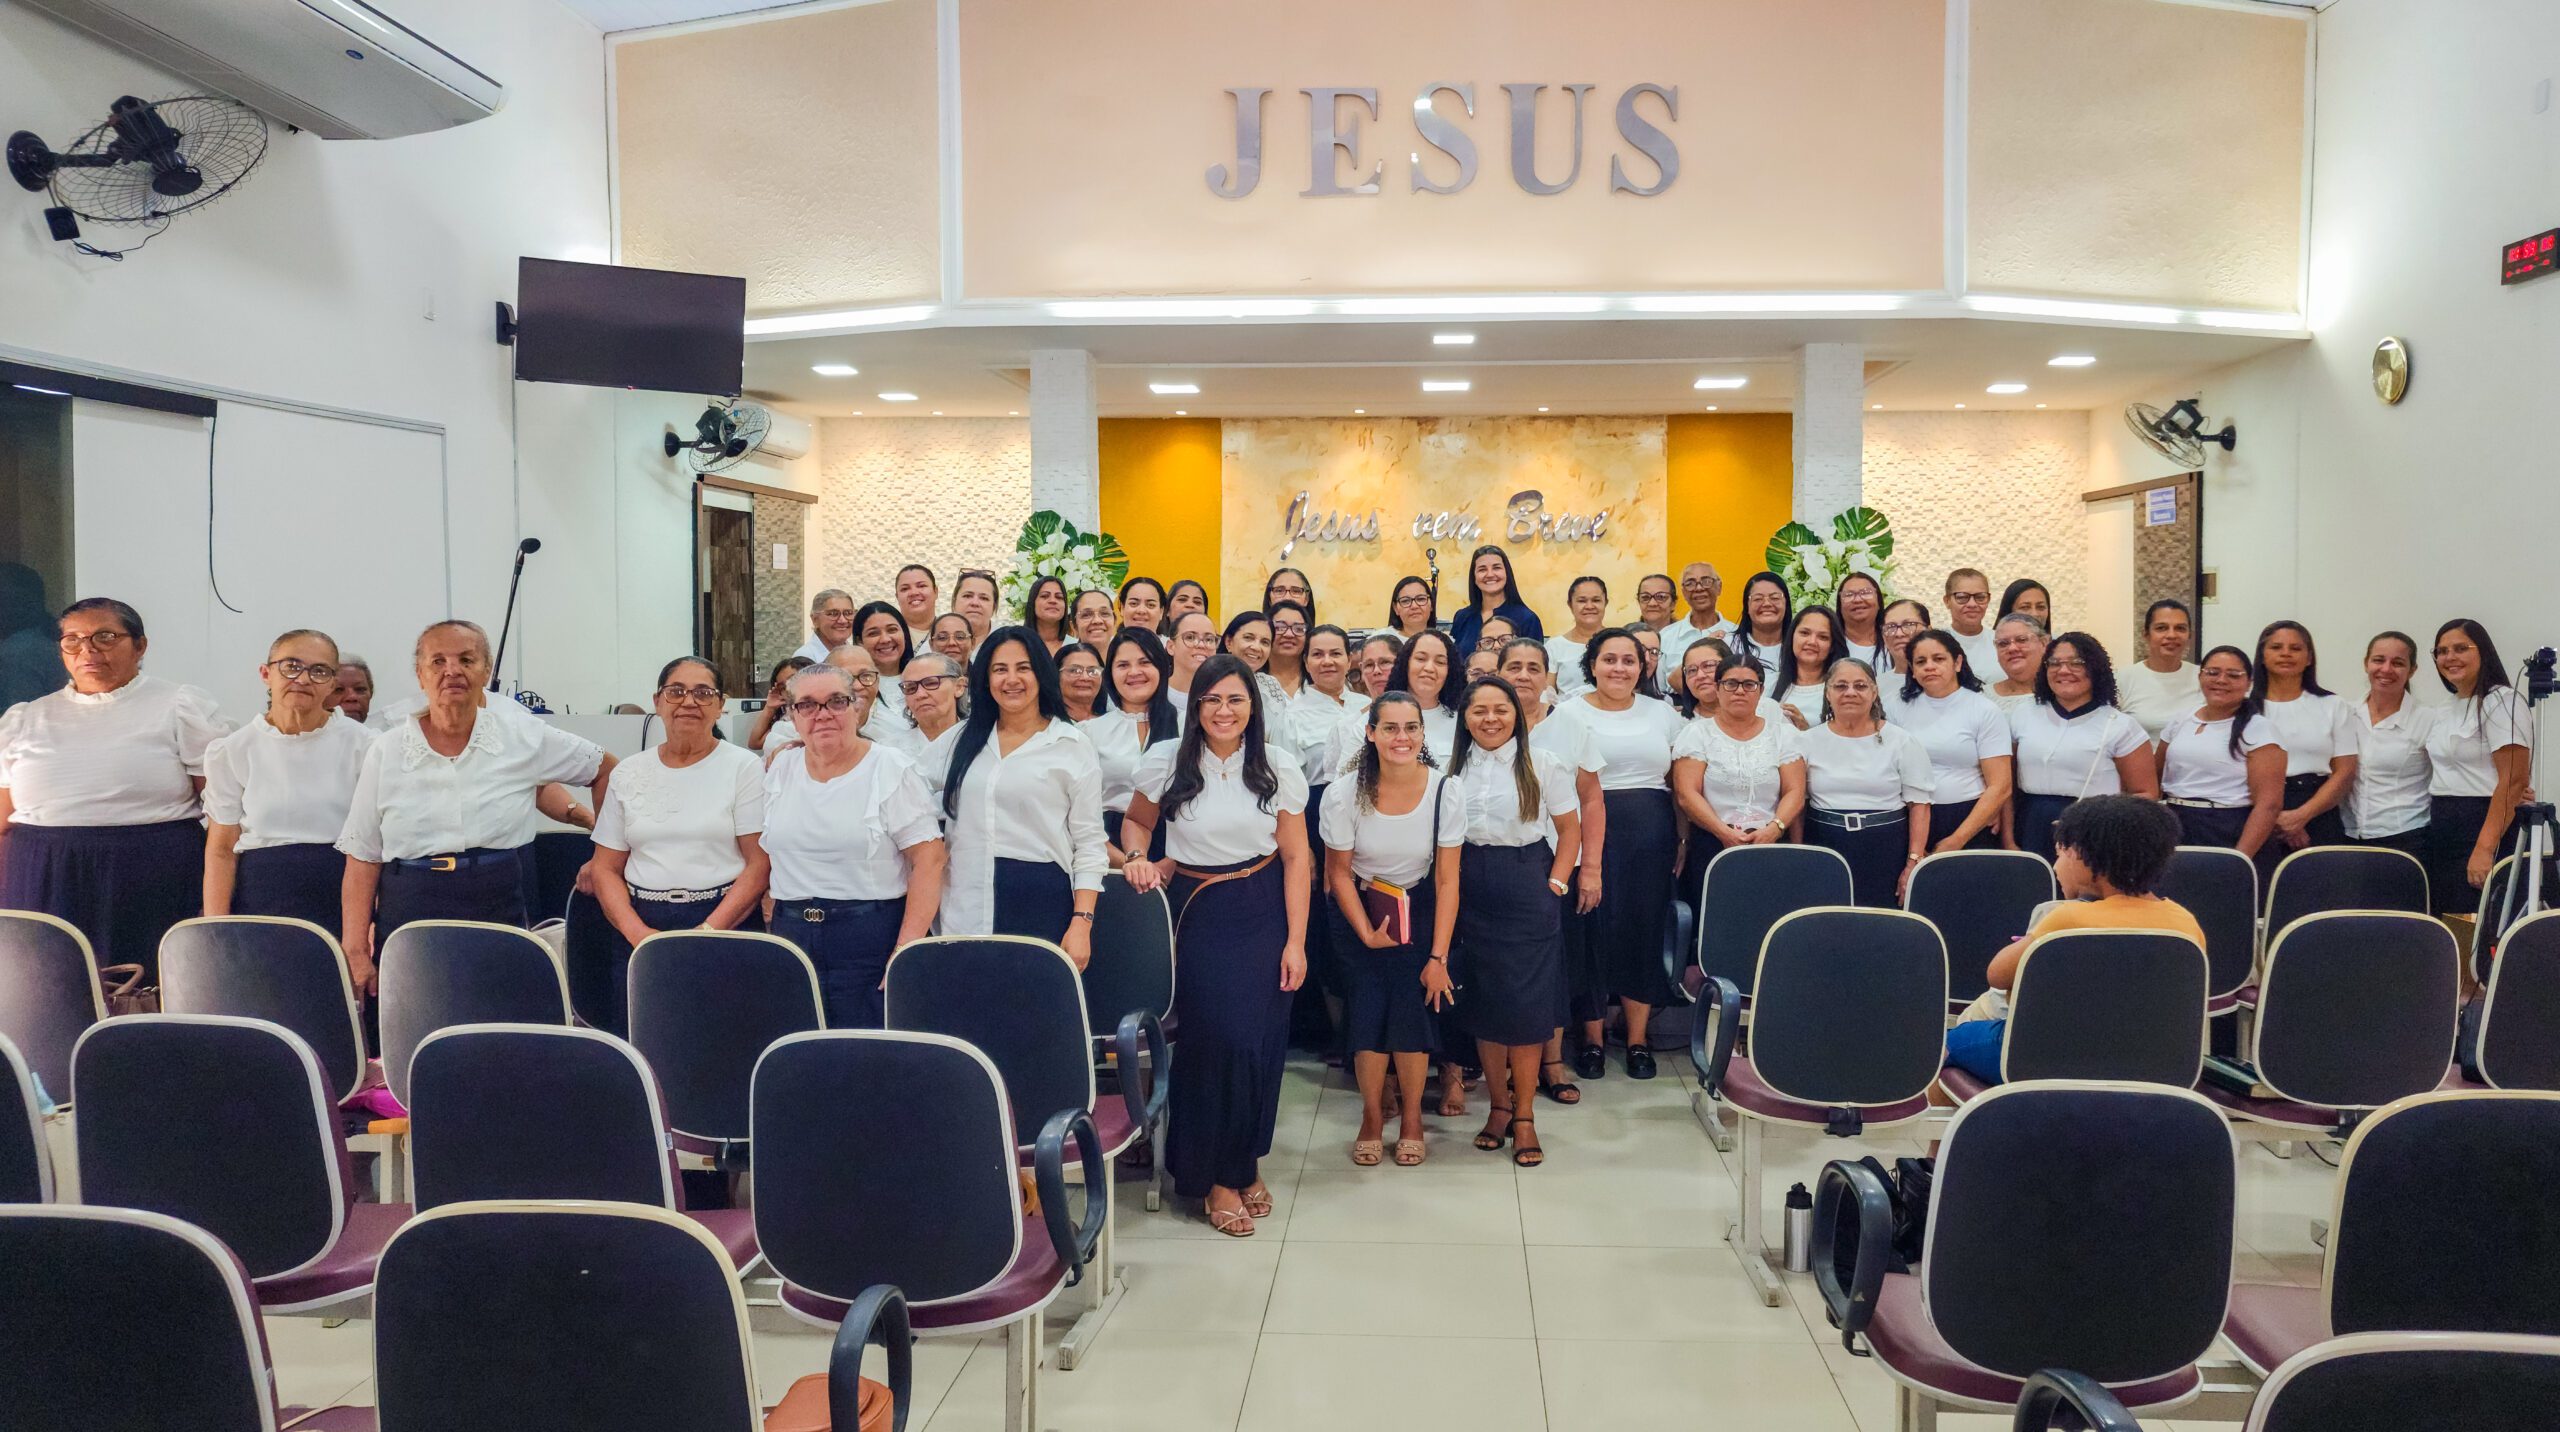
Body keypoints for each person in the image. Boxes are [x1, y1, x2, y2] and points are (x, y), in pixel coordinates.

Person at [1119, 654, 1313, 1237]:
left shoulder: (1276, 765)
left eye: (1235, 699)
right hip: (1197, 910)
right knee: (1216, 1044)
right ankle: (1213, 1179)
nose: (1224, 711)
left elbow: (1298, 857)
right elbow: (1135, 825)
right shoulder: (1167, 762)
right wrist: (1136, 860)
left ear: (1252, 707)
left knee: (1259, 1043)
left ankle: (1245, 1161)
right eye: (1212, 700)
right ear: (1195, 707)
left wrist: (1297, 940)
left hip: (1263, 907)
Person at [338, 620, 613, 990]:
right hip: (411, 902)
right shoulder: (385, 750)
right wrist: (355, 948)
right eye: (438, 661)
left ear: (486, 671)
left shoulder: (521, 735)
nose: (452, 670)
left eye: (467, 660)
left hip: (496, 894)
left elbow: (605, 768)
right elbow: (362, 855)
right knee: (417, 1018)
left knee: (500, 1019)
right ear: (420, 676)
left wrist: (605, 860)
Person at [0, 598, 231, 978]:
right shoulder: (28, 717)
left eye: (104, 637)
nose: (87, 650)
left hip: (151, 875)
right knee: (45, 992)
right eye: (72, 640)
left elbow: (221, 809)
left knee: (145, 992)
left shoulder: (177, 705)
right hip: (41, 877)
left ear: (140, 646)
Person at [1943, 796, 2203, 1085]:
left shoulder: (2069, 919)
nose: (2059, 860)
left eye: (2064, 850)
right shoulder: (2185, 922)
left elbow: (1997, 974)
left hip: (2047, 1057)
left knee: (1946, 1044)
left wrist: (2032, 939)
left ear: (2083, 855)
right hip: (2149, 1061)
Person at [581, 656, 769, 1037]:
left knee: (723, 1041)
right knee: (644, 1039)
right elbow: (604, 868)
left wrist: (708, 931)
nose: (689, 702)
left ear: (721, 705)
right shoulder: (629, 772)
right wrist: (639, 934)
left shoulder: (744, 768)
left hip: (723, 921)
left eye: (703, 693)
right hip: (640, 924)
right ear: (657, 701)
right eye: (676, 691)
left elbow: (759, 865)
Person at [1320, 694, 1464, 1167]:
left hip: (1419, 908)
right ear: (1371, 733)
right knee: (1366, 1016)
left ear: (1423, 734)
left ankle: (1412, 1120)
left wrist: (1438, 957)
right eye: (1390, 728)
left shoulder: (1446, 790)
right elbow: (1338, 872)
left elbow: (1447, 879)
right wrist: (1364, 931)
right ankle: (1370, 1115)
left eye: (1411, 728)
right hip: (1359, 908)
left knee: (1411, 1016)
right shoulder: (1343, 792)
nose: (1401, 738)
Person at [761, 665, 944, 1026]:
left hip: (869, 938)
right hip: (792, 933)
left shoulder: (889, 768)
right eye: (808, 705)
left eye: (836, 702)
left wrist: (905, 949)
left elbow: (930, 859)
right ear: (791, 715)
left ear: (856, 708)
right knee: (800, 1047)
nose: (823, 714)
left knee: (866, 1054)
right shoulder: (781, 767)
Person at [1448, 675, 1580, 1167]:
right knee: (1485, 1000)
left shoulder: (1542, 764)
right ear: (1465, 718)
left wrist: (1557, 884)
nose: (1490, 719)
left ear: (1516, 716)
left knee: (1524, 1007)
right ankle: (1498, 1108)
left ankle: (1524, 1114)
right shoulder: (1451, 769)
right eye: (1479, 710)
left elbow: (1570, 830)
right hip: (1469, 883)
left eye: (1500, 710)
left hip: (1527, 880)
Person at [1545, 629, 1684, 1077]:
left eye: (1629, 660)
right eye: (1610, 660)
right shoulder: (1566, 713)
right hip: (1589, 834)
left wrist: (1682, 839)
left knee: (1641, 932)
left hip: (1650, 835)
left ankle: (1638, 1040)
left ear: (1644, 666)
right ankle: (1592, 1039)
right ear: (1592, 665)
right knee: (1592, 933)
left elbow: (1679, 783)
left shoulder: (1662, 713)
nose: (1619, 668)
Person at [934, 628, 1105, 961]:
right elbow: (902, 783)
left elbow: (1089, 842)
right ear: (985, 678)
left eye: (1023, 668)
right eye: (1000, 669)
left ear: (1041, 673)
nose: (1011, 679)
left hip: (1041, 902)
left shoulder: (1071, 745)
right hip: (966, 900)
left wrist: (1082, 922)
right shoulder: (958, 741)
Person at [203, 629, 375, 933]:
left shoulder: (367, 745)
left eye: (319, 671)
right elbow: (221, 850)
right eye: (291, 666)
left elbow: (376, 844)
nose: (304, 679)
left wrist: (364, 931)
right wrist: (216, 930)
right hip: (261, 895)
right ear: (266, 674)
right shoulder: (231, 750)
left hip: (343, 892)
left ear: (333, 684)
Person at [1498, 637, 1604, 1103]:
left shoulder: (1572, 724)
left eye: (1533, 667)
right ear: (1498, 672)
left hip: (1559, 862)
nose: (1523, 675)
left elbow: (1591, 800)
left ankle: (1552, 1061)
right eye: (1514, 667)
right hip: (1499, 865)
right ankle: (1503, 1062)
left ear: (1547, 676)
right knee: (1503, 968)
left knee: (1554, 967)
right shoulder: (1485, 720)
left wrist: (1591, 868)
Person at [1793, 659, 1932, 908]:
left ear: (1874, 692)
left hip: (1886, 848)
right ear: (1827, 692)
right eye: (1840, 686)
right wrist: (1799, 855)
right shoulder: (1807, 741)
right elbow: (1797, 805)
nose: (1850, 693)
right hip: (1825, 845)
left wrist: (1913, 862)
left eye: (1860, 686)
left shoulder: (1901, 741)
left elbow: (1919, 805)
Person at [2006, 632, 2156, 860]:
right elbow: (2008, 780)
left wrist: (2108, 825)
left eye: (2077, 663)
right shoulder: (2024, 714)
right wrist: (2008, 836)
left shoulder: (2120, 726)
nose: (2064, 671)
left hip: (2094, 829)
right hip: (2030, 821)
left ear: (2096, 669)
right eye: (2055, 663)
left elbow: (2145, 793)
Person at [1672, 654, 1806, 898]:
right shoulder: (1696, 734)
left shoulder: (1783, 735)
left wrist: (1774, 829)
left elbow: (1795, 791)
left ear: (1761, 690)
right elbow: (1686, 794)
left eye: (1749, 685)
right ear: (1718, 688)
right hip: (1713, 842)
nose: (1739, 691)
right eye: (1730, 683)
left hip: (1770, 842)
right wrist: (1724, 832)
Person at [2424, 618, 2529, 910]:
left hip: (2483, 826)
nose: (2450, 657)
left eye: (2461, 648)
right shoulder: (2444, 708)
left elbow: (2514, 780)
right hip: (2445, 829)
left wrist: (2485, 849)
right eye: (2442, 651)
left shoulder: (2502, 701)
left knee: (2480, 927)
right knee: (2450, 922)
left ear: (2483, 651)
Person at [2252, 620, 2360, 878]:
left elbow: (2345, 772)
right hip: (2257, 811)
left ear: (2309, 658)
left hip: (2318, 811)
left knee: (2319, 897)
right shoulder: (2245, 707)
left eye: (2296, 648)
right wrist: (2276, 816)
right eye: (2276, 647)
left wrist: (2301, 816)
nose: (2286, 653)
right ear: (2263, 656)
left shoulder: (2333, 705)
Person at [2156, 645, 2282, 861]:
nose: (2221, 680)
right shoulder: (2181, 720)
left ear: (2249, 683)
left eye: (2233, 675)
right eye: (2213, 673)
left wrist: (2240, 858)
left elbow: (2269, 804)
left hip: (2227, 826)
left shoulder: (2259, 728)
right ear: (2200, 676)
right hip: (2174, 823)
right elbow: (2155, 775)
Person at [1892, 630, 2012, 853]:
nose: (1929, 666)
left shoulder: (1984, 710)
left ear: (1957, 662)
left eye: (1938, 659)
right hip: (1911, 818)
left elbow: (2000, 786)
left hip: (1969, 819)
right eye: (1921, 661)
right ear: (1912, 670)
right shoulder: (1898, 709)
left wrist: (1957, 840)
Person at [1090, 627, 1178, 864]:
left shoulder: (1188, 725)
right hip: (1107, 849)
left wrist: (1173, 862)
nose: (1134, 672)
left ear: (1161, 666)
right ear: (1110, 674)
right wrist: (1129, 863)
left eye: (1144, 662)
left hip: (1178, 850)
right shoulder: (1088, 733)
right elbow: (1077, 815)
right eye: (1123, 665)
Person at [2344, 631, 2433, 862]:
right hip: (2347, 837)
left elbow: (2453, 770)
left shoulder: (2428, 720)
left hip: (2406, 839)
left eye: (2398, 663)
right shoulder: (2344, 714)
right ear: (2366, 663)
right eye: (2378, 660)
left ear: (2412, 670)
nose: (2386, 669)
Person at [1329, 628, 1460, 772]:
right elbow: (1344, 784)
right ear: (1405, 664)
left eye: (1440, 662)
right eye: (1421, 659)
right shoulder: (1371, 720)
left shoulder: (1461, 722)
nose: (1429, 668)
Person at [2117, 599, 2202, 738]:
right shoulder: (2122, 679)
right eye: (2161, 628)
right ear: (2146, 634)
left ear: (2190, 636)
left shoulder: (2204, 678)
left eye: (2180, 628)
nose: (2171, 635)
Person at [1448, 544, 1545, 654]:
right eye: (1482, 569)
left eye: (1496, 568)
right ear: (1474, 577)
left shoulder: (1527, 619)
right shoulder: (1462, 617)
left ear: (1507, 574)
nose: (1490, 574)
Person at [1772, 605, 1846, 731]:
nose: (1812, 642)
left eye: (1823, 637)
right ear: (1792, 636)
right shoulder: (1766, 684)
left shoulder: (1843, 691)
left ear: (1832, 645)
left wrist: (1806, 731)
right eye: (1805, 633)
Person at [1658, 562, 1732, 668]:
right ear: (1683, 592)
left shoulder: (1735, 634)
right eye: (1690, 583)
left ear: (1719, 587)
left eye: (1706, 581)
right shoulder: (1666, 637)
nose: (1699, 588)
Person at [852, 601, 914, 729]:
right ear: (859, 641)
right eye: (873, 633)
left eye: (892, 630)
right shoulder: (852, 687)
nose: (885, 639)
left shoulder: (925, 682)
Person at [1546, 575, 1609, 699]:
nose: (1589, 606)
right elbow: (1547, 695)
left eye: (1596, 600)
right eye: (1582, 601)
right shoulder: (1554, 647)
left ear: (1605, 603)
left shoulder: (1619, 642)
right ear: (1570, 605)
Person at [1731, 571, 1793, 685]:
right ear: (1747, 607)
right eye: (1758, 599)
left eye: (1775, 598)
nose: (1767, 604)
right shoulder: (1728, 644)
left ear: (1786, 604)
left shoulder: (1799, 646)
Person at [896, 652, 966, 752]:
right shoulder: (892, 751)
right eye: (911, 688)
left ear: (959, 687)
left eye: (931, 683)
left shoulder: (984, 743)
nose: (920, 695)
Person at [749, 655, 815, 752]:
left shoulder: (824, 712)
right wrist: (769, 707)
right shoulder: (787, 717)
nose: (788, 688)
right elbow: (754, 743)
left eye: (792, 680)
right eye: (782, 688)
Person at [1986, 613, 2048, 713]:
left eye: (2021, 640)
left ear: (2044, 643)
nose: (2012, 648)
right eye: (2003, 643)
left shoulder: (2062, 695)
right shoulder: (1982, 698)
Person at [1943, 568, 1999, 676]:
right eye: (1962, 597)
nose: (1972, 604)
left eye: (1980, 597)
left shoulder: (2001, 641)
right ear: (1947, 601)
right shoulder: (1936, 642)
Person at [1166, 610, 1220, 712]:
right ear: (1171, 647)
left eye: (1209, 639)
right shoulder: (1154, 694)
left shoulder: (1224, 696)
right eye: (1190, 637)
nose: (1201, 645)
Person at [793, 589, 858, 665]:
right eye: (833, 614)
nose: (843, 620)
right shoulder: (804, 658)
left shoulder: (856, 654)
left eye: (848, 613)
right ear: (815, 620)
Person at [1835, 572, 1887, 668]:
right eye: (1849, 595)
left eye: (1866, 593)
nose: (1857, 600)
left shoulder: (1894, 640)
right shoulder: (1830, 644)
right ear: (1840, 606)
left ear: (1879, 601)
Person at [1265, 600, 1312, 699]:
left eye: (1299, 629)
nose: (1289, 634)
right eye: (1279, 627)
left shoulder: (1319, 679)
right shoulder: (1251, 680)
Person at [1018, 575, 1072, 657]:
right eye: (1044, 596)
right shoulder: (1018, 644)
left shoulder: (1075, 645)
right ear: (1032, 603)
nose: (1053, 601)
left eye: (1059, 597)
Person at [1878, 599, 1931, 676]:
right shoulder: (1877, 685)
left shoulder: (1948, 680)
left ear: (1928, 630)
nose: (1899, 634)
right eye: (1890, 627)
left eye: (1909, 625)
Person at [1055, 641, 1105, 722]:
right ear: (1056, 675)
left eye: (1093, 671)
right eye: (1074, 670)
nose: (1085, 677)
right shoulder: (1046, 724)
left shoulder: (1112, 723)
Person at [894, 563, 939, 647]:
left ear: (935, 592)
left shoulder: (949, 633)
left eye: (921, 586)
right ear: (897, 597)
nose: (913, 593)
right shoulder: (889, 636)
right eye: (905, 589)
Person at [951, 569, 1001, 645]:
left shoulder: (1006, 643)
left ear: (994, 606)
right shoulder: (935, 641)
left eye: (984, 598)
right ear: (954, 601)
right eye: (967, 596)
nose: (975, 603)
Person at [1352, 632, 1402, 701]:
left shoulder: (1419, 710)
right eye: (1369, 665)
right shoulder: (1351, 711)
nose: (1376, 671)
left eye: (1385, 662)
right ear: (1362, 669)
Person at [330, 656, 378, 727]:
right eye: (339, 689)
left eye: (360, 689)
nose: (351, 697)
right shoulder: (309, 736)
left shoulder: (381, 736)